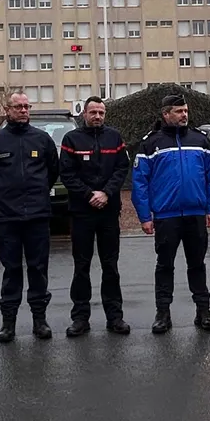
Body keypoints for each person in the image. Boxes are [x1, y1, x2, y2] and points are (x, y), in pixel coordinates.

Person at [131, 93, 210, 334]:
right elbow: (139, 182)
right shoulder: (151, 143)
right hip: (165, 217)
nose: (184, 115)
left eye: (186, 111)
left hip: (195, 215)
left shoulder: (200, 140)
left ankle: (203, 312)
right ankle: (163, 314)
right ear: (165, 114)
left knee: (197, 265)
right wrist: (145, 216)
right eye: (179, 111)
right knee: (164, 266)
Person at [0, 92, 60, 342]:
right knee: (11, 269)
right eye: (18, 107)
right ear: (8, 110)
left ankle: (39, 321)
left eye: (26, 107)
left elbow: (52, 171)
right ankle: (8, 324)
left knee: (38, 269)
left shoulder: (42, 140)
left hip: (37, 215)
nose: (23, 111)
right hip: (7, 217)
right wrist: (2, 197)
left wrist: (37, 195)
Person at [59, 96, 131, 336]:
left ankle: (115, 317)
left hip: (109, 212)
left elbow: (122, 168)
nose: (97, 116)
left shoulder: (115, 137)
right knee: (82, 266)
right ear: (84, 114)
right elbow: (67, 173)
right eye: (93, 112)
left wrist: (107, 193)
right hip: (82, 213)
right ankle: (80, 318)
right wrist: (90, 195)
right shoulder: (72, 139)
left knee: (110, 266)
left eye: (101, 112)